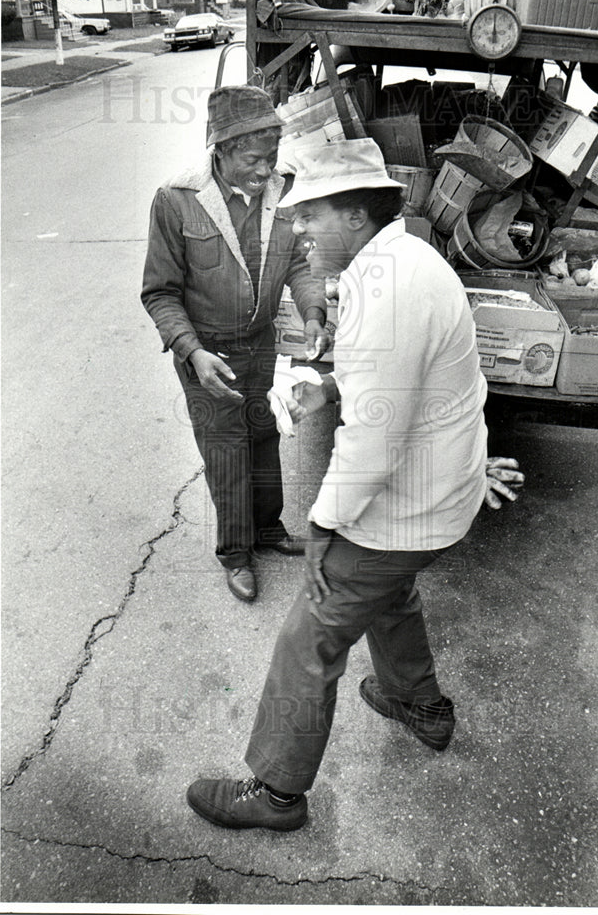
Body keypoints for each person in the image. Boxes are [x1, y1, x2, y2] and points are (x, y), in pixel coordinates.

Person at [186, 138, 524, 830]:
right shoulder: (405, 260)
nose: (298, 228)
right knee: (387, 590)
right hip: (436, 495)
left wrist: (322, 526)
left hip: (408, 503)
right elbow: (407, 382)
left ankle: (276, 793)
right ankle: (419, 705)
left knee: (309, 638)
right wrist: (337, 386)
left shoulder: (387, 287)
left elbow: (372, 443)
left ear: (356, 216)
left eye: (311, 214)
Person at [141, 86, 331, 603]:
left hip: (261, 346)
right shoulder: (177, 200)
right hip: (208, 355)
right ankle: (236, 552)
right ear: (220, 150)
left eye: (271, 157)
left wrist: (314, 310)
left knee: (264, 438)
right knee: (226, 453)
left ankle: (268, 530)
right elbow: (159, 293)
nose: (264, 169)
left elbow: (297, 263)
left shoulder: (283, 190)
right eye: (252, 158)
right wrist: (192, 352)